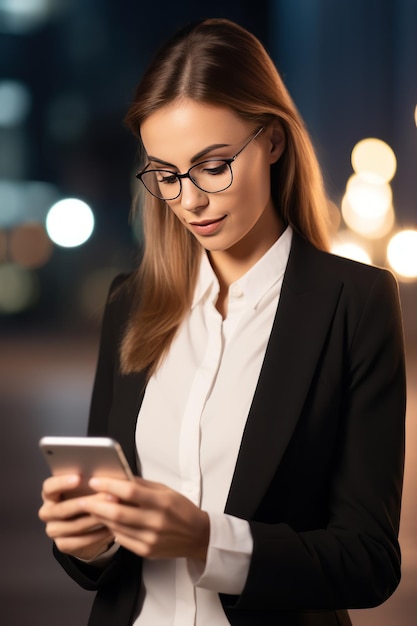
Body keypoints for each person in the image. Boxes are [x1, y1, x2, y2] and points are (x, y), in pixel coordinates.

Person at [38, 17, 406, 626]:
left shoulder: (355, 303)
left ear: (273, 141)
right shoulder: (130, 302)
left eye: (213, 166)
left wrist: (208, 541)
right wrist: (88, 543)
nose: (190, 200)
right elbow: (103, 557)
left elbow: (368, 561)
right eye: (167, 174)